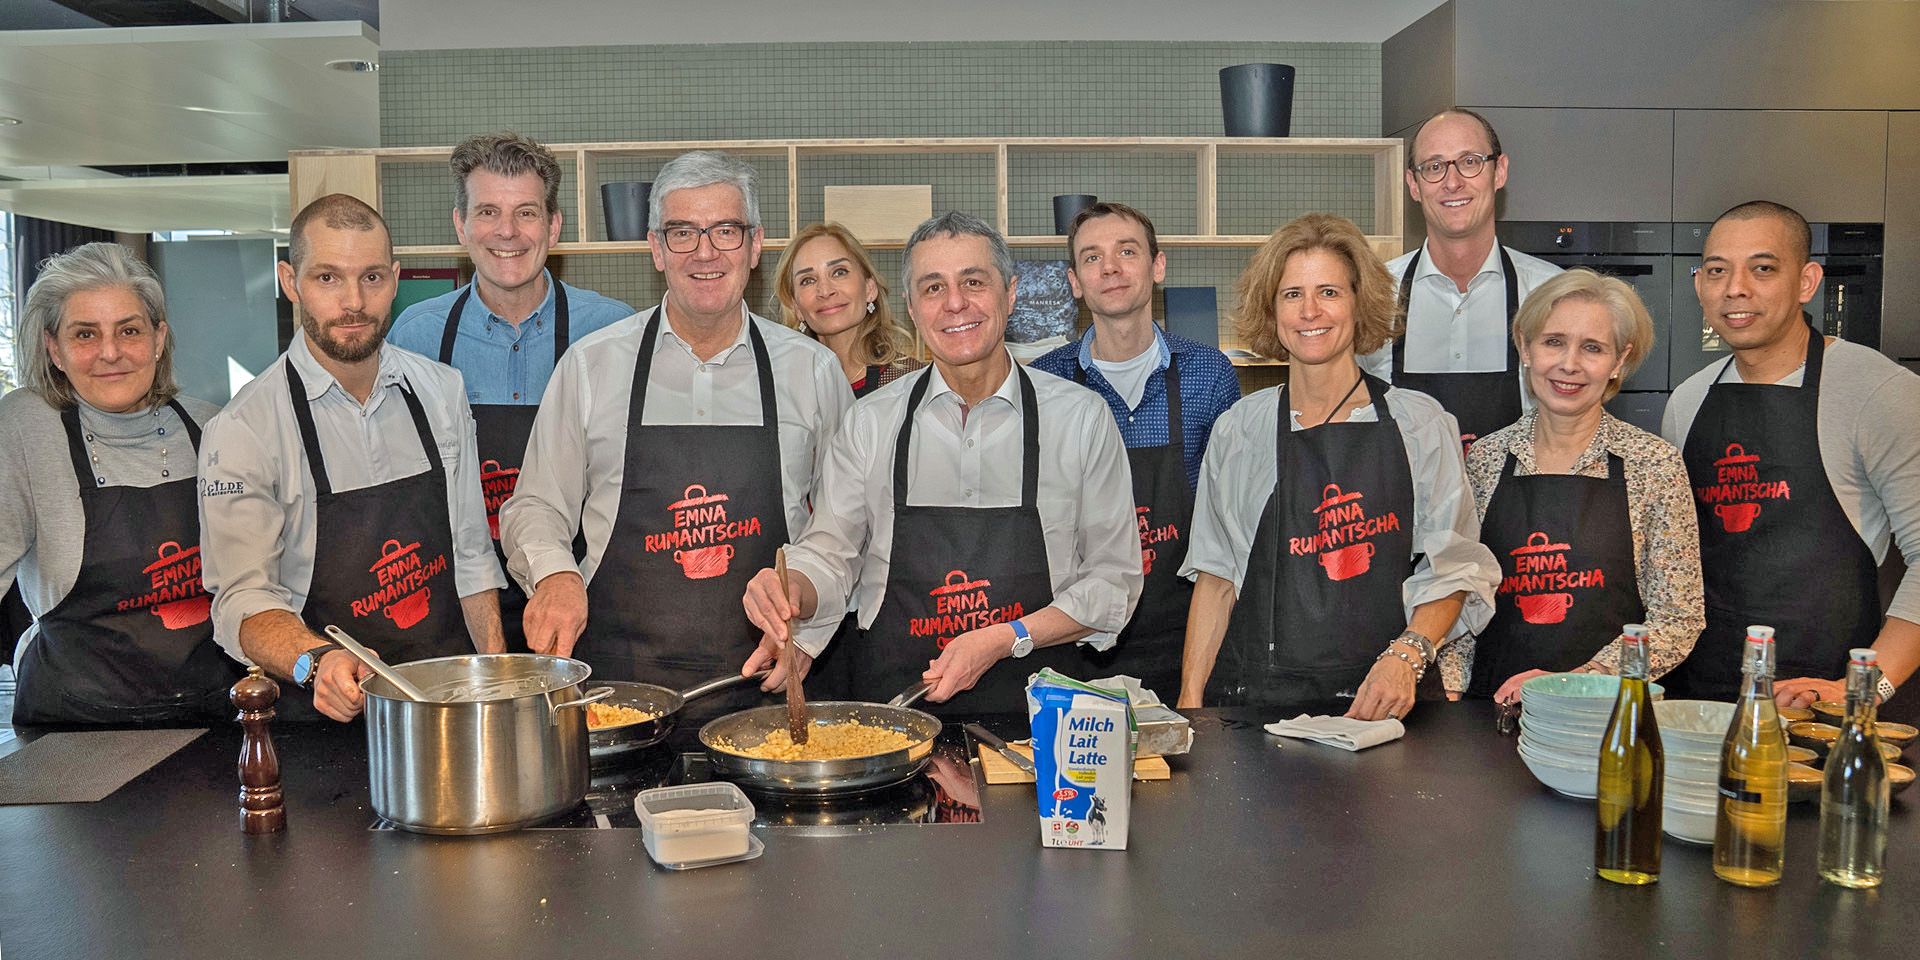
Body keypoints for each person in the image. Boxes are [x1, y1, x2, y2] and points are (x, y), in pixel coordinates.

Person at [736, 211, 1142, 716]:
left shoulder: (1080, 419)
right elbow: (831, 555)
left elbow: (1113, 583)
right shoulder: (870, 424)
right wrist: (791, 589)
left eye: (974, 282)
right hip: (894, 720)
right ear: (911, 307)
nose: (955, 303)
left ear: (1010, 294)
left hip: (1037, 721)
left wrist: (1006, 637)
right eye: (933, 288)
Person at [499, 151, 850, 723]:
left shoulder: (811, 372)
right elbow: (535, 505)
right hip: (617, 698)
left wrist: (810, 624)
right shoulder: (591, 367)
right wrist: (554, 572)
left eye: (726, 231)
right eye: (683, 232)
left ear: (756, 245)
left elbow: (844, 528)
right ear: (656, 248)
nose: (705, 252)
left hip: (766, 685)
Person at [1178, 213, 1498, 721]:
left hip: (1388, 704)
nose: (1309, 311)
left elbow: (1455, 568)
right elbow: (1216, 579)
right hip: (1262, 706)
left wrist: (1406, 656)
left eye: (1328, 292)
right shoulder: (1241, 429)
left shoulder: (1420, 423)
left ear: (1358, 301)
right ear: (1272, 310)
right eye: (1291, 295)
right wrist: (1190, 704)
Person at [199, 194, 505, 722]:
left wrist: (500, 687)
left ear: (395, 278)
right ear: (290, 282)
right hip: (323, 718)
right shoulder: (245, 428)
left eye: (370, 278)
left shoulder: (440, 391)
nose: (354, 303)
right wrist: (316, 660)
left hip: (446, 707)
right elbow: (240, 602)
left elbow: (471, 555)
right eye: (327, 278)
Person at [1662, 200, 1920, 714]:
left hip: (1827, 705)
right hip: (1700, 702)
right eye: (1717, 271)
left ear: (1807, 281)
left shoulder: (1877, 391)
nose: (1735, 288)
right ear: (1699, 286)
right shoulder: (1686, 402)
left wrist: (1863, 689)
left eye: (1762, 268)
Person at [388, 132, 634, 652]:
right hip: (459, 604)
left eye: (526, 212)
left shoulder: (613, 332)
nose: (508, 232)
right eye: (487, 212)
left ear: (553, 225)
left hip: (584, 597)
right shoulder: (416, 336)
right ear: (460, 225)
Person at [0, 243, 237, 725]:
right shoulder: (25, 428)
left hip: (212, 720)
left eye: (129, 330)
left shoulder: (215, 428)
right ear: (54, 349)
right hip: (73, 732)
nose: (110, 352)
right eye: (85, 334)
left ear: (158, 338)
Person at [1450, 269, 1704, 703]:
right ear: (1525, 347)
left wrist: (1583, 677)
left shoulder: (1653, 465)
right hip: (1489, 710)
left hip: (1604, 713)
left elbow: (1678, 618)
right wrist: (1453, 693)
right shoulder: (1486, 459)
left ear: (1618, 361)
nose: (1569, 364)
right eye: (1553, 342)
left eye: (1592, 348)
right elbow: (1461, 596)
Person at [1030, 201, 1240, 697]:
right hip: (1075, 640)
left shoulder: (1209, 374)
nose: (1110, 267)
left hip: (1185, 635)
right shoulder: (1044, 382)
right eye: (1091, 257)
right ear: (1075, 281)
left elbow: (1229, 519)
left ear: (1157, 265)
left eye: (1127, 251)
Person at [1361, 109, 1561, 449]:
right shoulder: (1375, 295)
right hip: (1406, 501)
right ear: (1413, 184)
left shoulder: (1549, 294)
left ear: (1500, 172)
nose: (1452, 182)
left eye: (1469, 161)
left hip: (1517, 499)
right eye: (1434, 167)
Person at [773, 221, 922, 398]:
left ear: (869, 288)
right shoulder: (780, 392)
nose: (825, 291)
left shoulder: (913, 383)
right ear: (796, 306)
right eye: (808, 280)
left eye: (839, 272)